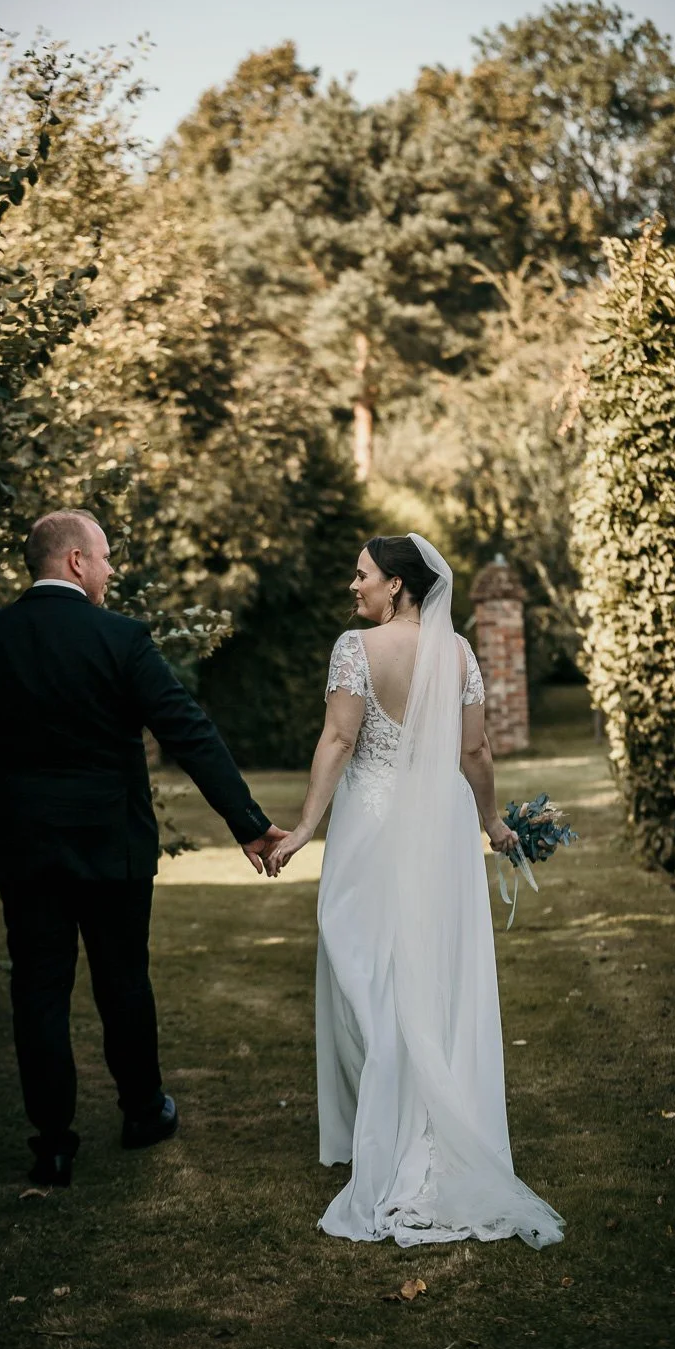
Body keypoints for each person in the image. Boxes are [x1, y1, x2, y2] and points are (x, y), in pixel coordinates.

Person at [0, 508, 287, 1187]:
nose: (109, 569)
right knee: (122, 979)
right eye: (102, 557)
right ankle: (141, 1113)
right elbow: (189, 732)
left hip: (25, 849)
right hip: (112, 848)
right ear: (73, 562)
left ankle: (53, 1144)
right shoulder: (120, 639)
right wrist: (246, 822)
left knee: (36, 989)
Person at [269, 533, 565, 1248]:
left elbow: (338, 741)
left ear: (396, 585)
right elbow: (474, 751)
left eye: (362, 574)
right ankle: (426, 1118)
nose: (353, 585)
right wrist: (491, 821)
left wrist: (308, 823)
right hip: (438, 827)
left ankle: (396, 1125)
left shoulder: (355, 649)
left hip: (370, 829)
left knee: (366, 969)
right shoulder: (457, 653)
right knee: (430, 970)